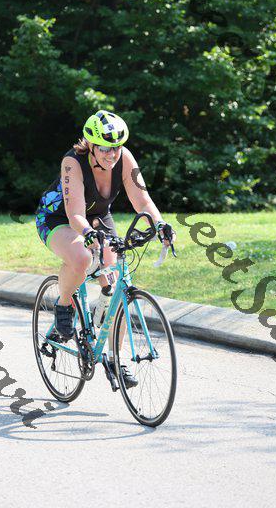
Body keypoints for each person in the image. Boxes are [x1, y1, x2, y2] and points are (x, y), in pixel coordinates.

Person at [35, 109, 176, 388]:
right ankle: (64, 306)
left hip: (98, 218)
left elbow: (142, 200)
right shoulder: (72, 162)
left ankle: (115, 357)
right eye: (104, 148)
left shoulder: (125, 159)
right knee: (81, 258)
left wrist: (160, 224)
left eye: (116, 147)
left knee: (117, 281)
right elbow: (75, 214)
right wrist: (88, 234)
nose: (112, 154)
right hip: (59, 218)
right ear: (91, 145)